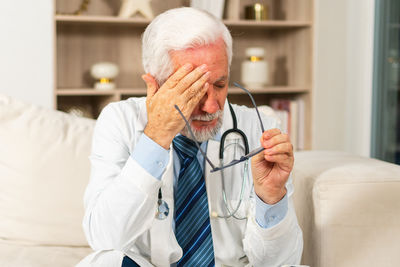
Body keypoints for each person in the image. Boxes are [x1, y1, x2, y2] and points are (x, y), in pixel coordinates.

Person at [78, 7, 303, 267]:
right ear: (156, 86)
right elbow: (105, 240)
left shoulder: (260, 129)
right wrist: (156, 138)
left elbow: (283, 263)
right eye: (192, 89)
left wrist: (271, 197)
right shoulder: (120, 120)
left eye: (219, 85)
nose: (210, 107)